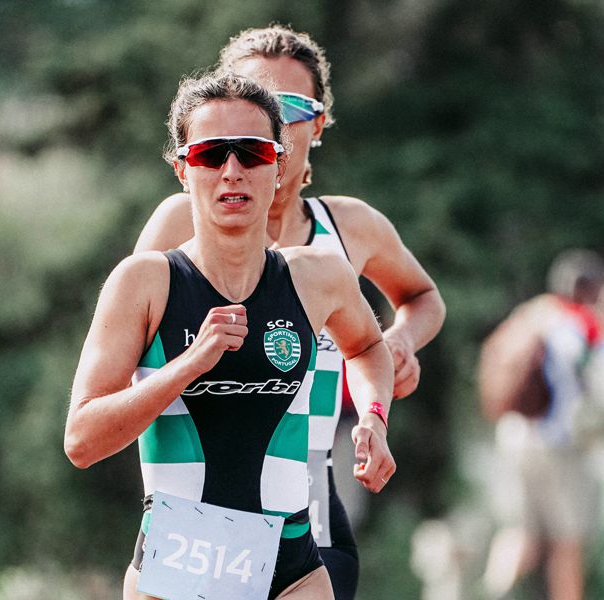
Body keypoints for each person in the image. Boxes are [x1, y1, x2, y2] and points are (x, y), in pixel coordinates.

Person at [134, 26, 445, 599]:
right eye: (256, 98)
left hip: (308, 497)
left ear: (316, 124)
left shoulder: (346, 231)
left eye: (291, 107)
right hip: (200, 502)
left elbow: (421, 300)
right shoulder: (178, 224)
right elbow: (128, 355)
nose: (270, 116)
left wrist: (400, 341)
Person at [65, 72, 395, 600]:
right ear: (182, 168)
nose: (232, 171)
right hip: (174, 574)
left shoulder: (318, 276)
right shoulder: (145, 283)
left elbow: (367, 347)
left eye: (252, 152)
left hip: (294, 572)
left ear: (279, 165)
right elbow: (82, 440)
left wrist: (375, 418)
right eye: (211, 154)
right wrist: (189, 364)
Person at [481, 249, 604, 600]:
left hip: (513, 437)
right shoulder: (581, 320)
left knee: (519, 533)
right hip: (559, 444)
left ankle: (490, 594)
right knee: (567, 544)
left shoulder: (527, 315)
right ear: (588, 289)